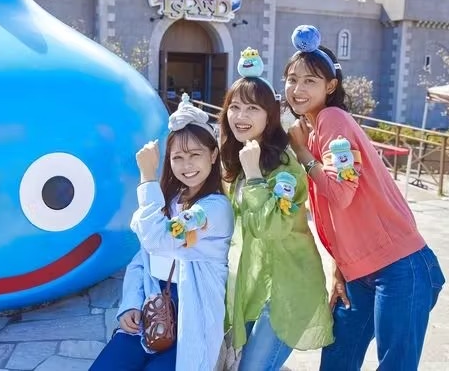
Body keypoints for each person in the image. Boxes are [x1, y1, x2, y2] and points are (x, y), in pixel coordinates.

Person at [285, 24, 446, 371]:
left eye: (310, 80)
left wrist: (301, 152)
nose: (297, 89)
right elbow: (336, 217)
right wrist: (339, 268)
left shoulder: (332, 119)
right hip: (359, 273)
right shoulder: (316, 130)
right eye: (292, 79)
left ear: (330, 86)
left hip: (400, 267)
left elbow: (340, 193)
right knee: (337, 361)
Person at [90, 93, 234, 371]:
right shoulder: (169, 202)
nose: (187, 165)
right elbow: (141, 259)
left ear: (213, 155)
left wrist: (147, 177)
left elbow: (159, 239)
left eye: (195, 155)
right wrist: (131, 304)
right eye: (178, 157)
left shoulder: (214, 209)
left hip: (191, 320)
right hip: (152, 311)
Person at [219, 47, 333, 371]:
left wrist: (255, 176)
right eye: (235, 107)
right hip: (250, 288)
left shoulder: (284, 167)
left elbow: (273, 228)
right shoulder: (235, 160)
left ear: (269, 116)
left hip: (288, 288)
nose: (240, 116)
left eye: (252, 108)